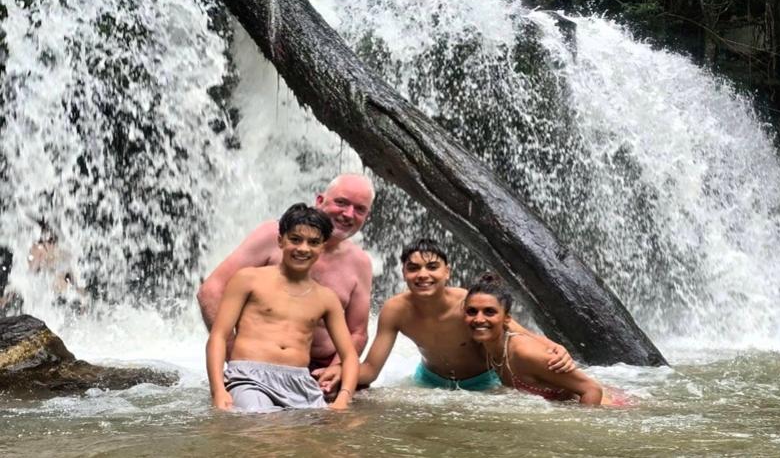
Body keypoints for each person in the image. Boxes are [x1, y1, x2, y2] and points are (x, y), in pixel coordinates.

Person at [198, 173, 374, 389]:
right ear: (320, 200)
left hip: (320, 370)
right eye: (341, 203)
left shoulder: (360, 262)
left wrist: (338, 367)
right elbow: (211, 291)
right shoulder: (273, 236)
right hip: (260, 362)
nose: (348, 214)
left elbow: (357, 332)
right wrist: (233, 354)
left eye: (360, 209)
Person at [344, 238, 575, 392]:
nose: (423, 275)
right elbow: (371, 370)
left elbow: (519, 333)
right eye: (413, 268)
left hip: (484, 384)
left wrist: (555, 348)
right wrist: (341, 372)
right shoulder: (395, 310)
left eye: (432, 267)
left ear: (447, 272)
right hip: (428, 383)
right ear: (403, 273)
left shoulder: (470, 304)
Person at [206, 203, 358, 412]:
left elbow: (349, 356)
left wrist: (344, 397)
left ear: (322, 247)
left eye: (313, 242)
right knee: (260, 421)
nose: (303, 248)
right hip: (249, 378)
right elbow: (218, 336)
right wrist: (218, 390)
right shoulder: (249, 279)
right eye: (295, 239)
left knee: (335, 429)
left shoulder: (326, 298)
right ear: (280, 240)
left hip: (300, 383)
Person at [465, 272, 626, 405]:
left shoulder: (525, 353)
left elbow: (592, 389)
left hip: (612, 410)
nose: (478, 319)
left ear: (507, 318)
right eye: (472, 311)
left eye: (489, 312)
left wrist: (582, 429)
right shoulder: (490, 346)